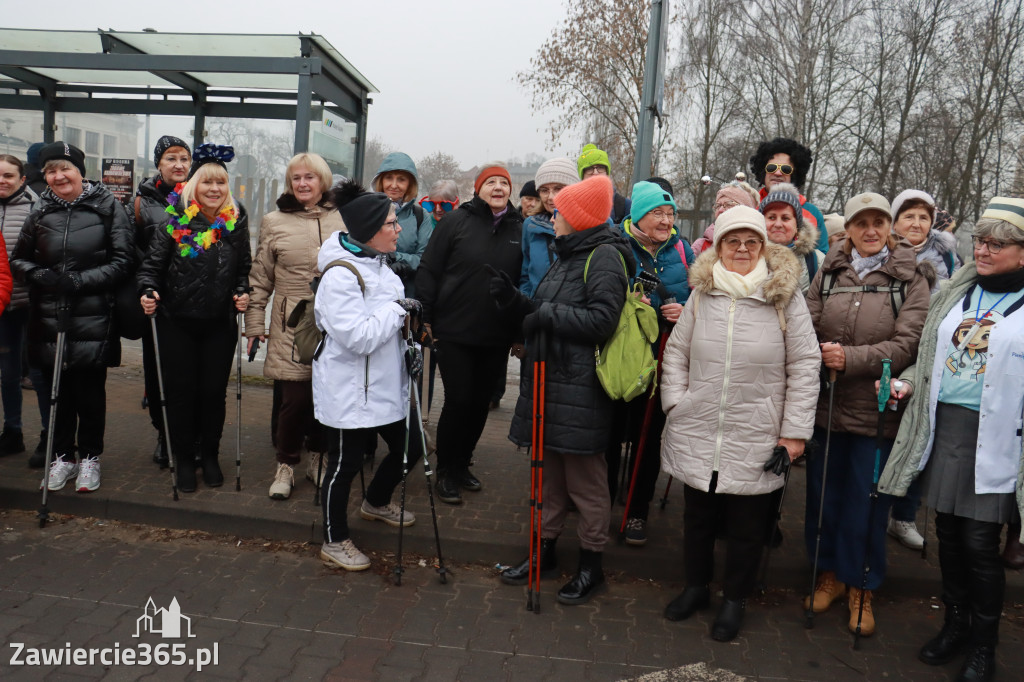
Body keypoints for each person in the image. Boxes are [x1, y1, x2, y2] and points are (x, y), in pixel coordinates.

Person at [878, 196, 1024, 682]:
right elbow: (930, 357)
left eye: (997, 244)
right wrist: (908, 382)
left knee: (980, 543)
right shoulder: (956, 293)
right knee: (948, 536)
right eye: (980, 241)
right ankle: (955, 625)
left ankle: (984, 645)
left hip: (997, 438)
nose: (983, 250)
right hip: (946, 429)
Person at [659, 205, 819, 641]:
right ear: (719, 246)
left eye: (752, 241)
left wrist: (793, 434)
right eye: (733, 241)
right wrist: (676, 403)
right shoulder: (702, 293)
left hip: (758, 431)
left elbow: (805, 365)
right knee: (698, 518)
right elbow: (676, 354)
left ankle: (734, 599)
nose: (743, 249)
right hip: (699, 426)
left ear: (763, 246)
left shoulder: (785, 296)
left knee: (748, 526)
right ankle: (696, 588)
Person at [803, 192, 931, 637]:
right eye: (862, 223)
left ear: (890, 227)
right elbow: (806, 323)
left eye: (879, 222)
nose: (871, 230)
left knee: (868, 504)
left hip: (876, 415)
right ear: (850, 229)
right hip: (827, 408)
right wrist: (818, 351)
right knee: (824, 499)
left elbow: (909, 343)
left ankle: (861, 585)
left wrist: (850, 359)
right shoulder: (829, 271)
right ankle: (829, 575)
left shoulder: (910, 278)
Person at [497, 175, 630, 604]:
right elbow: (548, 308)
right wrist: (517, 303)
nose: (552, 216)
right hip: (549, 383)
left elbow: (601, 321)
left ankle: (592, 566)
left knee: (585, 484)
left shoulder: (604, 256)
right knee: (548, 478)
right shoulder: (567, 252)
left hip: (580, 391)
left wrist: (545, 313)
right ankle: (544, 553)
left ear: (579, 218)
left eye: (561, 212)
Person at [313, 179, 423, 571]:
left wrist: (412, 344)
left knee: (411, 447)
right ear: (370, 231)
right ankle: (334, 539)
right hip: (348, 388)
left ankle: (375, 501)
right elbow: (358, 337)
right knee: (345, 464)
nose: (398, 229)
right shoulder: (340, 275)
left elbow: (391, 327)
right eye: (391, 223)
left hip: (383, 385)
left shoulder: (381, 266)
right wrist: (398, 309)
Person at [11, 141, 133, 493]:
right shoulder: (40, 209)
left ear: (80, 171)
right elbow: (18, 259)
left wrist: (80, 281)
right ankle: (62, 457)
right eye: (51, 171)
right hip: (49, 317)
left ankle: (90, 457)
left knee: (90, 394)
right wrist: (39, 275)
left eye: (65, 168)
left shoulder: (108, 207)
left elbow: (123, 261)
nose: (59, 176)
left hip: (93, 318)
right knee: (57, 393)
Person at [137, 144, 251, 493]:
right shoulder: (175, 220)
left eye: (220, 183)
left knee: (213, 393)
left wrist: (242, 291)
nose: (214, 189)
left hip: (219, 324)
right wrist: (147, 291)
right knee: (181, 393)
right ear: (193, 185)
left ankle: (210, 455)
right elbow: (151, 269)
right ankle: (184, 458)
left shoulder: (236, 221)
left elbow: (243, 269)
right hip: (177, 323)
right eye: (207, 182)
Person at [415, 165, 523, 504]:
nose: (498, 187)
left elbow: (524, 282)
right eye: (490, 182)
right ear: (478, 189)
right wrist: (426, 317)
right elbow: (429, 269)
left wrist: (519, 330)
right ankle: (446, 470)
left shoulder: (520, 227)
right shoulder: (455, 222)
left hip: (496, 333)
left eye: (504, 183)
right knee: (459, 400)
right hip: (454, 330)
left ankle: (462, 464)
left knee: (480, 404)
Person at [246, 152, 346, 500]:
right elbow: (260, 277)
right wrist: (254, 324)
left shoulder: (343, 218)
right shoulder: (274, 221)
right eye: (296, 178)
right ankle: (286, 464)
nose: (302, 184)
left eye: (309, 177)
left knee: (326, 396)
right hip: (291, 322)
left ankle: (318, 458)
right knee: (294, 400)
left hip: (335, 321)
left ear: (323, 181)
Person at [618, 181, 695, 546]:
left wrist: (686, 310)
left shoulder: (682, 250)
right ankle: (600, 502)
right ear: (638, 216)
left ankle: (637, 510)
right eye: (657, 213)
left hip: (665, 354)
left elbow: (700, 296)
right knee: (613, 432)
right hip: (622, 356)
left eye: (670, 214)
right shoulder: (617, 245)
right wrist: (631, 302)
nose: (666, 221)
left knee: (649, 437)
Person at [133, 136, 192, 468]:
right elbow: (131, 250)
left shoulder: (200, 196)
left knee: (188, 374)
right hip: (157, 303)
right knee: (157, 374)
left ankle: (190, 436)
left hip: (193, 300)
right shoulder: (141, 202)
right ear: (159, 164)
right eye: (171, 158)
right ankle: (163, 433)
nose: (179, 164)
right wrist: (148, 285)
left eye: (184, 158)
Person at [0, 154, 37, 457]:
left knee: (27, 372)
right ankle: (12, 430)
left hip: (27, 303)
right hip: (1, 306)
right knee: (7, 372)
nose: (2, 181)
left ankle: (27, 432)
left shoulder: (35, 207)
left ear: (22, 179)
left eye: (9, 176)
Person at [748, 137, 829, 254]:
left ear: (795, 174)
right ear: (763, 171)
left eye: (786, 169)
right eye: (771, 168)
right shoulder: (749, 207)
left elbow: (823, 256)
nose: (777, 173)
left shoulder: (813, 212)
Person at [371, 152, 432, 295]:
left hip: (406, 293)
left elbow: (425, 259)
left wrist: (396, 258)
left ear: (410, 184)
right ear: (380, 180)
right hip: (371, 292)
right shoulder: (367, 211)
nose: (394, 185)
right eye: (389, 178)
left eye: (401, 179)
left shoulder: (421, 216)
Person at [519, 158, 578, 297]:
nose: (551, 197)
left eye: (558, 188)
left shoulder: (596, 223)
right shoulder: (531, 225)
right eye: (544, 190)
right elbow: (526, 275)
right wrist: (526, 304)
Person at [890, 190, 960, 294]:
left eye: (923, 218)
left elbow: (955, 293)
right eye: (909, 217)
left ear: (931, 224)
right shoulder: (881, 253)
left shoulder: (946, 254)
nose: (916, 224)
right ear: (894, 223)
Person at [760, 182, 825, 293]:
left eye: (785, 218)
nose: (778, 224)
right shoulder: (749, 254)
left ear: (797, 226)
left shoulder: (817, 260)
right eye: (771, 217)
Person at [692, 183, 758, 255]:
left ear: (746, 212)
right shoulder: (700, 247)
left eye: (729, 204)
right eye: (718, 205)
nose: (720, 210)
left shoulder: (761, 247)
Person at [577, 144, 631, 224]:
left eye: (600, 167)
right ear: (582, 175)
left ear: (607, 173)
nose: (595, 172)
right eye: (589, 168)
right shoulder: (573, 206)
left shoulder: (624, 206)